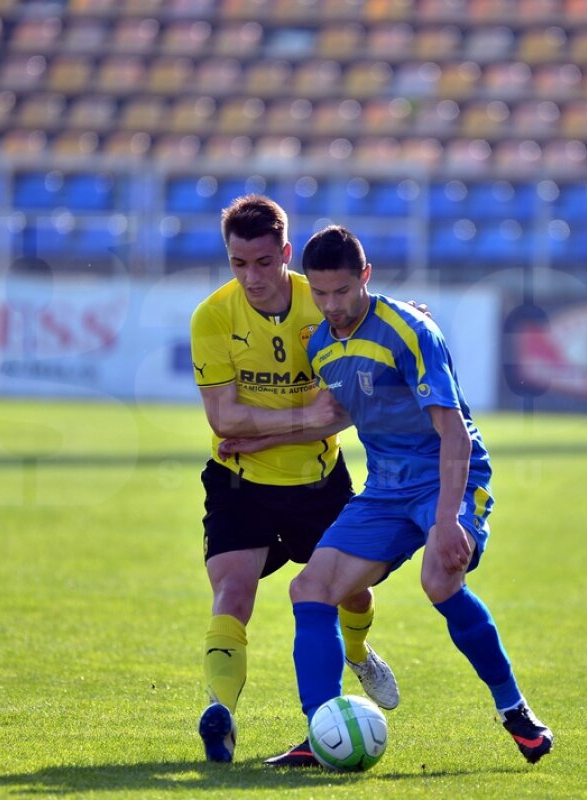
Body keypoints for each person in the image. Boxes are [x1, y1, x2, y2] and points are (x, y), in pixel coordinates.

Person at [228, 225, 553, 767]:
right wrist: (259, 437)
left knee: (439, 579)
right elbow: (336, 415)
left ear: (365, 278)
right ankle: (320, 729)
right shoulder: (322, 344)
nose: (331, 305)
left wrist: (447, 521)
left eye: (342, 292)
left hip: (449, 480)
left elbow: (452, 432)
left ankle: (514, 710)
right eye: (321, 293)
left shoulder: (410, 329)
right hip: (385, 490)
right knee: (309, 589)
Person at [189, 196, 399, 764]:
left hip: (316, 481)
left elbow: (341, 410)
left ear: (285, 253)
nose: (251, 277)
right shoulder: (213, 316)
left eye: (262, 262)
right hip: (239, 480)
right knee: (232, 594)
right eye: (238, 264)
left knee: (352, 591)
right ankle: (222, 714)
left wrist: (266, 429)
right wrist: (300, 420)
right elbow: (223, 419)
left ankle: (358, 650)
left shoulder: (325, 300)